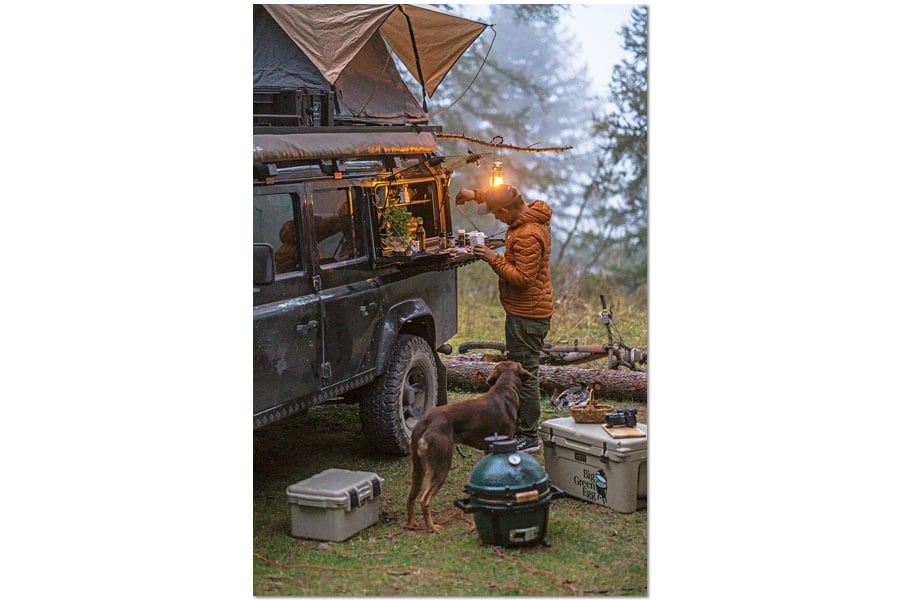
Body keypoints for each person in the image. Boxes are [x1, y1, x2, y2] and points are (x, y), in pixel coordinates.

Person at [455, 184, 553, 453]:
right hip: (525, 311)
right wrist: (476, 194)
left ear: (508, 210)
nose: (496, 218)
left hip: (527, 315)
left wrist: (492, 258)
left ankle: (528, 436)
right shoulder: (530, 213)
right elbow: (507, 193)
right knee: (524, 368)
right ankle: (522, 428)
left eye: (497, 213)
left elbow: (523, 279)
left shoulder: (528, 234)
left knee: (524, 375)